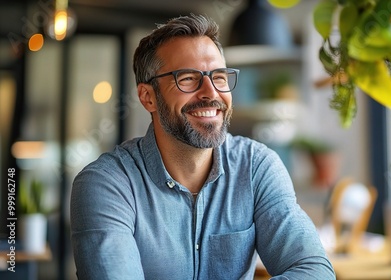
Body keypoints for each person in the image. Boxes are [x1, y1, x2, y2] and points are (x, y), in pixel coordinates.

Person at [70, 13, 336, 279]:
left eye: (219, 77)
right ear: (148, 97)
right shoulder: (106, 183)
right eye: (187, 78)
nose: (211, 93)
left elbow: (313, 270)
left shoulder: (256, 167)